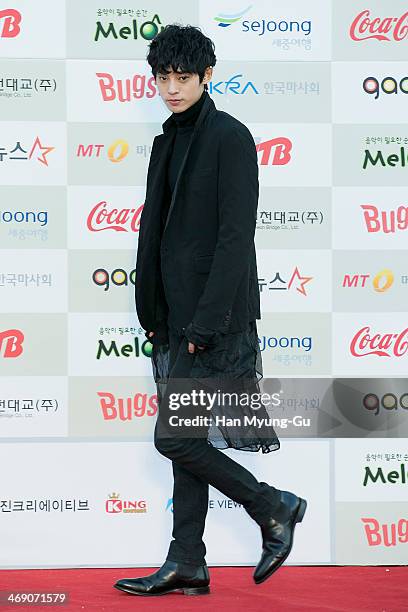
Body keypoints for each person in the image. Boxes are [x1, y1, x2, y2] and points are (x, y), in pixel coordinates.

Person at [114, 24, 307, 598]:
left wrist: (204, 324)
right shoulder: (164, 141)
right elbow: (158, 231)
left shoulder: (230, 137)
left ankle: (273, 506)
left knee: (175, 438)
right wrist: (153, 311)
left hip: (211, 322)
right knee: (187, 440)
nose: (171, 88)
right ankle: (188, 561)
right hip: (171, 318)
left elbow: (233, 239)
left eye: (183, 77)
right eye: (163, 77)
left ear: (206, 77)